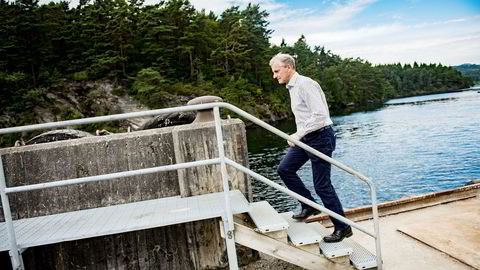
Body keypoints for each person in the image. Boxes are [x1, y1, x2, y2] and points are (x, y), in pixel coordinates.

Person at [269, 53, 352, 243]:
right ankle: (309, 205)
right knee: (285, 169)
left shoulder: (305, 84)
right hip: (307, 137)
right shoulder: (292, 87)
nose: (275, 76)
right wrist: (300, 135)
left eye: (277, 71)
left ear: (289, 67)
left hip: (321, 137)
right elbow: (306, 117)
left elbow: (320, 115)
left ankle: (342, 227)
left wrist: (297, 135)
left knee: (322, 185)